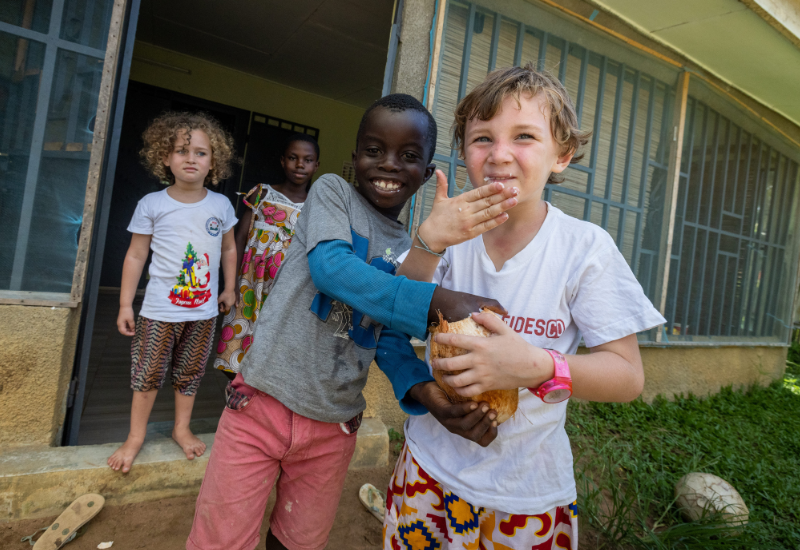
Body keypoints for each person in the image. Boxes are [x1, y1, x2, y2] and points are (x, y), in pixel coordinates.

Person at [186, 93, 518, 550]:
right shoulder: (331, 194)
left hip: (332, 428)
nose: (387, 165)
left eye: (407, 157)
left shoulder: (407, 246)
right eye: (374, 150)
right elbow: (331, 269)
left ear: (424, 175)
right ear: (355, 157)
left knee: (299, 542)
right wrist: (438, 300)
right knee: (220, 540)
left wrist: (431, 396)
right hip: (261, 406)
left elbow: (388, 339)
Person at [384, 64, 667, 549]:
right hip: (428, 469)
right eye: (481, 139)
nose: (499, 155)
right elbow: (395, 316)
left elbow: (627, 377)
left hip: (525, 494)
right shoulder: (448, 233)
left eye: (524, 136)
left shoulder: (584, 249)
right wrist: (428, 242)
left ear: (563, 154)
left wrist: (535, 366)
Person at [108, 112, 238, 473]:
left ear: (213, 161)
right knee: (147, 373)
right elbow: (135, 255)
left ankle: (182, 428)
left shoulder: (220, 206)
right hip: (157, 312)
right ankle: (136, 436)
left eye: (200, 152)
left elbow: (228, 249)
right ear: (165, 157)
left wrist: (228, 287)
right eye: (182, 151)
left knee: (190, 373)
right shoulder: (153, 204)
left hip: (203, 313)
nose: (191, 159)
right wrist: (124, 304)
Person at [214, 133, 320, 377]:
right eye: (293, 158)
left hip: (287, 290)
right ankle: (235, 397)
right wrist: (232, 284)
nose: (300, 164)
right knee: (238, 343)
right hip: (250, 284)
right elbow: (239, 238)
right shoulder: (261, 194)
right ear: (283, 161)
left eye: (307, 159)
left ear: (316, 165)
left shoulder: (316, 206)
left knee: (273, 346)